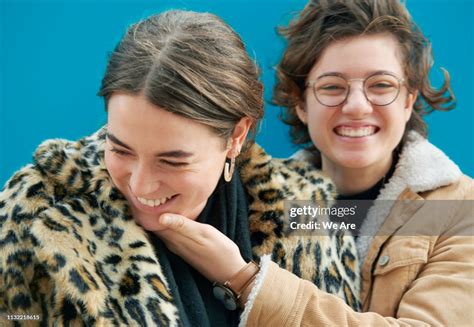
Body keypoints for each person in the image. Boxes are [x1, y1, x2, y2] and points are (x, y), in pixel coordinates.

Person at [0, 10, 360, 326]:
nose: (141, 185)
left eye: (172, 160)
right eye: (120, 149)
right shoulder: (38, 212)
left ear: (236, 135)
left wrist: (246, 280)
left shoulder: (311, 211)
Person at [269, 0, 472, 325]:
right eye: (332, 87)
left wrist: (248, 284)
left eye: (381, 85)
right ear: (300, 103)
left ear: (409, 100)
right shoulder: (258, 205)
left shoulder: (461, 211)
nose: (357, 106)